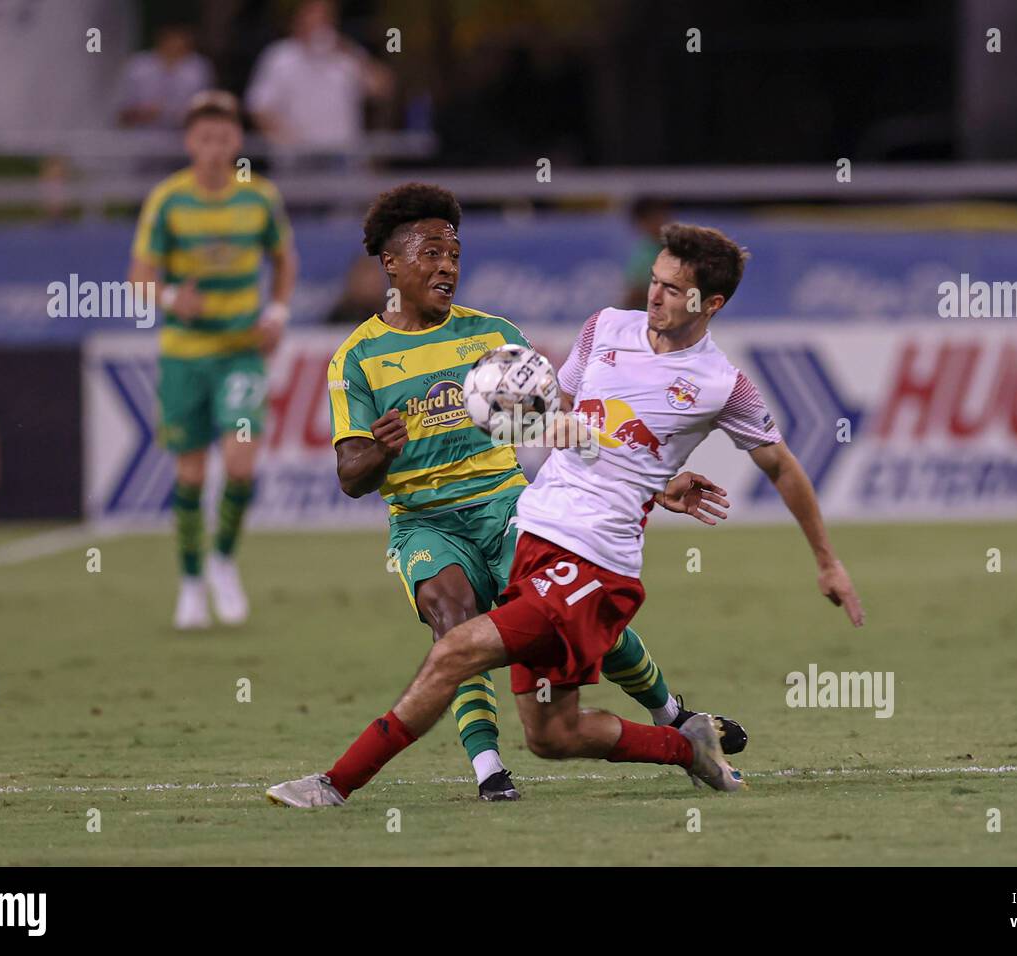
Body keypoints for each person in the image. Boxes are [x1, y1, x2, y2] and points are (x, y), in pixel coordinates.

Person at [265, 216, 862, 809]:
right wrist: (654, 480)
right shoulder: (604, 326)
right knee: (553, 735)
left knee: (454, 649)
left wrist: (827, 561)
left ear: (712, 303)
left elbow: (782, 466)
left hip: (592, 560)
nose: (654, 294)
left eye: (673, 289)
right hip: (536, 534)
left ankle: (335, 785)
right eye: (655, 279)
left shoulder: (721, 385)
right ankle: (688, 744)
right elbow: (568, 424)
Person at [128, 91, 298, 630]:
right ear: (189, 142)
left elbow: (283, 258)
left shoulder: (260, 197)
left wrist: (276, 312)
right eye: (204, 137)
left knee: (242, 459)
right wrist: (176, 298)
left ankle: (224, 559)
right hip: (184, 356)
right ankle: (190, 581)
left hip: (241, 352)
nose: (214, 147)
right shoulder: (168, 200)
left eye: (223, 136)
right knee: (191, 471)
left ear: (237, 141)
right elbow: (139, 278)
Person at [245, 0, 394, 154]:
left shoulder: (346, 55)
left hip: (345, 155)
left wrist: (348, 50)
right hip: (297, 157)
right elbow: (258, 107)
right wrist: (287, 141)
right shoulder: (279, 57)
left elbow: (382, 87)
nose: (318, 21)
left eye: (325, 15)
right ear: (297, 17)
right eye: (312, 13)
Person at [115, 23, 215, 129]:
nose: (175, 44)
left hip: (184, 136)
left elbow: (207, 110)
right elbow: (120, 112)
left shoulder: (200, 67)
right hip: (140, 135)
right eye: (171, 38)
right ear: (161, 39)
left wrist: (174, 113)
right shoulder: (138, 65)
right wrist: (140, 112)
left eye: (180, 38)